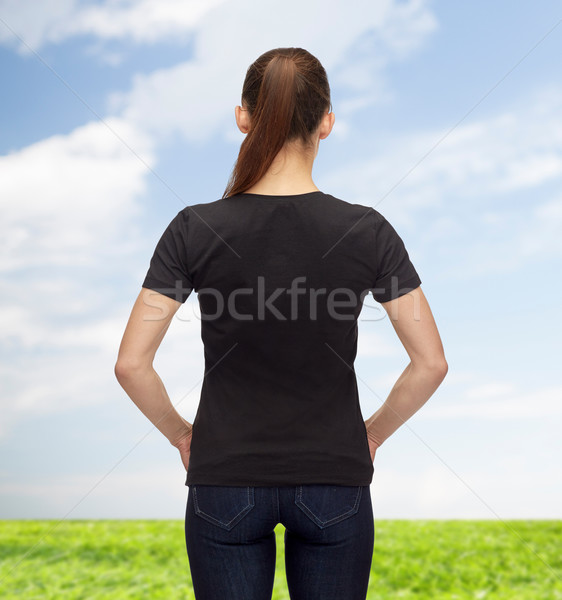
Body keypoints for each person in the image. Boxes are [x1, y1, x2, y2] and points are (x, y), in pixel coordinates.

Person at [115, 47, 448, 600]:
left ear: (243, 116)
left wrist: (181, 435)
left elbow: (131, 364)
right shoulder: (367, 232)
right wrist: (370, 435)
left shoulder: (192, 229)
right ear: (327, 123)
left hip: (224, 480)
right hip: (335, 482)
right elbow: (431, 363)